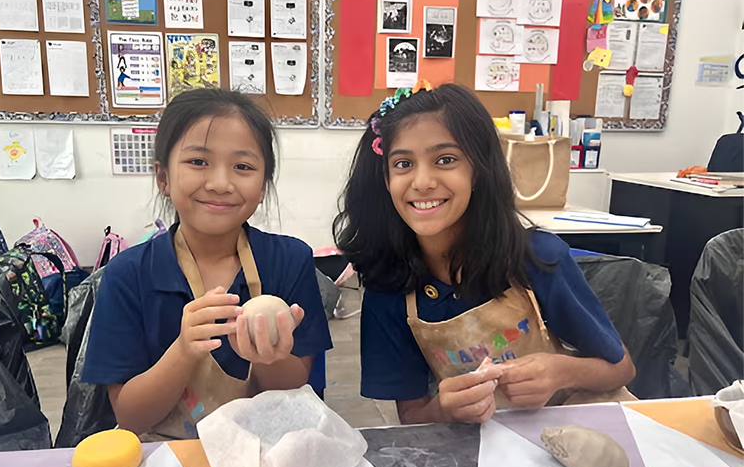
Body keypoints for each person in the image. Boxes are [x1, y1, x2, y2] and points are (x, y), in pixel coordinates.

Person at [333, 81, 636, 426]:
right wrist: (445, 408)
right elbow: (413, 416)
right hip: (477, 456)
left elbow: (621, 368)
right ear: (384, 179)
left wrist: (561, 371)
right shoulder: (388, 287)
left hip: (573, 439)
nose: (422, 181)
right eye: (403, 163)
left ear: (478, 169)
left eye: (445, 160)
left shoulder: (536, 258)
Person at [82, 88, 332, 439]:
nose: (220, 183)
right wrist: (183, 350)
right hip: (167, 462)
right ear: (163, 178)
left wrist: (268, 356)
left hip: (263, 460)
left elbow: (295, 394)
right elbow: (130, 417)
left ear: (262, 188)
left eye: (243, 167)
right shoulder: (128, 276)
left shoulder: (289, 262)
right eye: (198, 162)